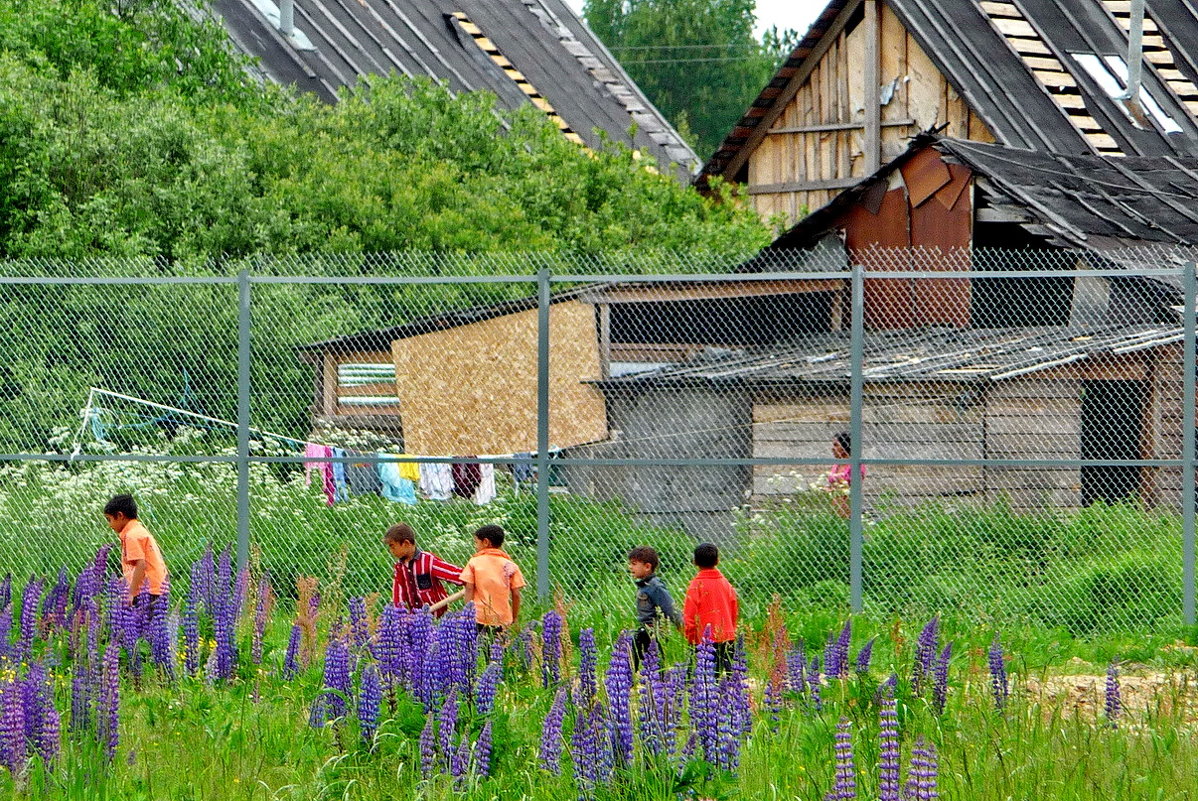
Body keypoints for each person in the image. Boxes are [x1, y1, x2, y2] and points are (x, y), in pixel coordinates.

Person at [383, 522, 464, 617]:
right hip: (416, 620)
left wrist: (470, 577)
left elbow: (455, 574)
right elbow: (398, 596)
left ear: (406, 543)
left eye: (392, 546)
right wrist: (400, 615)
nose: (391, 551)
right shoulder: (400, 568)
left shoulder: (428, 561)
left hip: (437, 616)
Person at [103, 494, 168, 608]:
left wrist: (131, 592)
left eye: (110, 519)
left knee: (143, 622)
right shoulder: (138, 531)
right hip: (158, 588)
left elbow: (141, 564)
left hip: (148, 591)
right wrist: (126, 578)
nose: (110, 525)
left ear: (120, 515)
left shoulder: (131, 536)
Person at [682, 542, 738, 674]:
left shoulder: (696, 585)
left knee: (702, 680)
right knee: (730, 680)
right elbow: (734, 610)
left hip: (703, 641)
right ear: (717, 560)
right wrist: (731, 631)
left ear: (695, 562)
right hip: (727, 638)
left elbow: (689, 616)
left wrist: (691, 637)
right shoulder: (725, 584)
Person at [460, 524, 525, 633]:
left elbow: (469, 589)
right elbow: (516, 594)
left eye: (476, 542)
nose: (476, 546)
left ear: (485, 542)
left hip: (478, 617)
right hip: (502, 619)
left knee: (477, 648)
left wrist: (467, 615)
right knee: (499, 648)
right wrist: (514, 618)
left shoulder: (474, 562)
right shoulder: (510, 565)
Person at [628, 546, 681, 668]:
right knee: (630, 660)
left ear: (647, 567)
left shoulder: (655, 586)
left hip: (653, 632)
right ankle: (630, 680)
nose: (630, 567)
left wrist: (681, 625)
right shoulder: (644, 585)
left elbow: (670, 608)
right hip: (643, 631)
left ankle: (660, 683)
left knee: (656, 665)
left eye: (634, 564)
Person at [827, 431, 865, 519]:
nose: (832, 448)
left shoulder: (855, 465)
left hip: (848, 509)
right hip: (833, 508)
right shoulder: (836, 465)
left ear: (845, 446)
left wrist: (839, 485)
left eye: (836, 445)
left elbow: (855, 488)